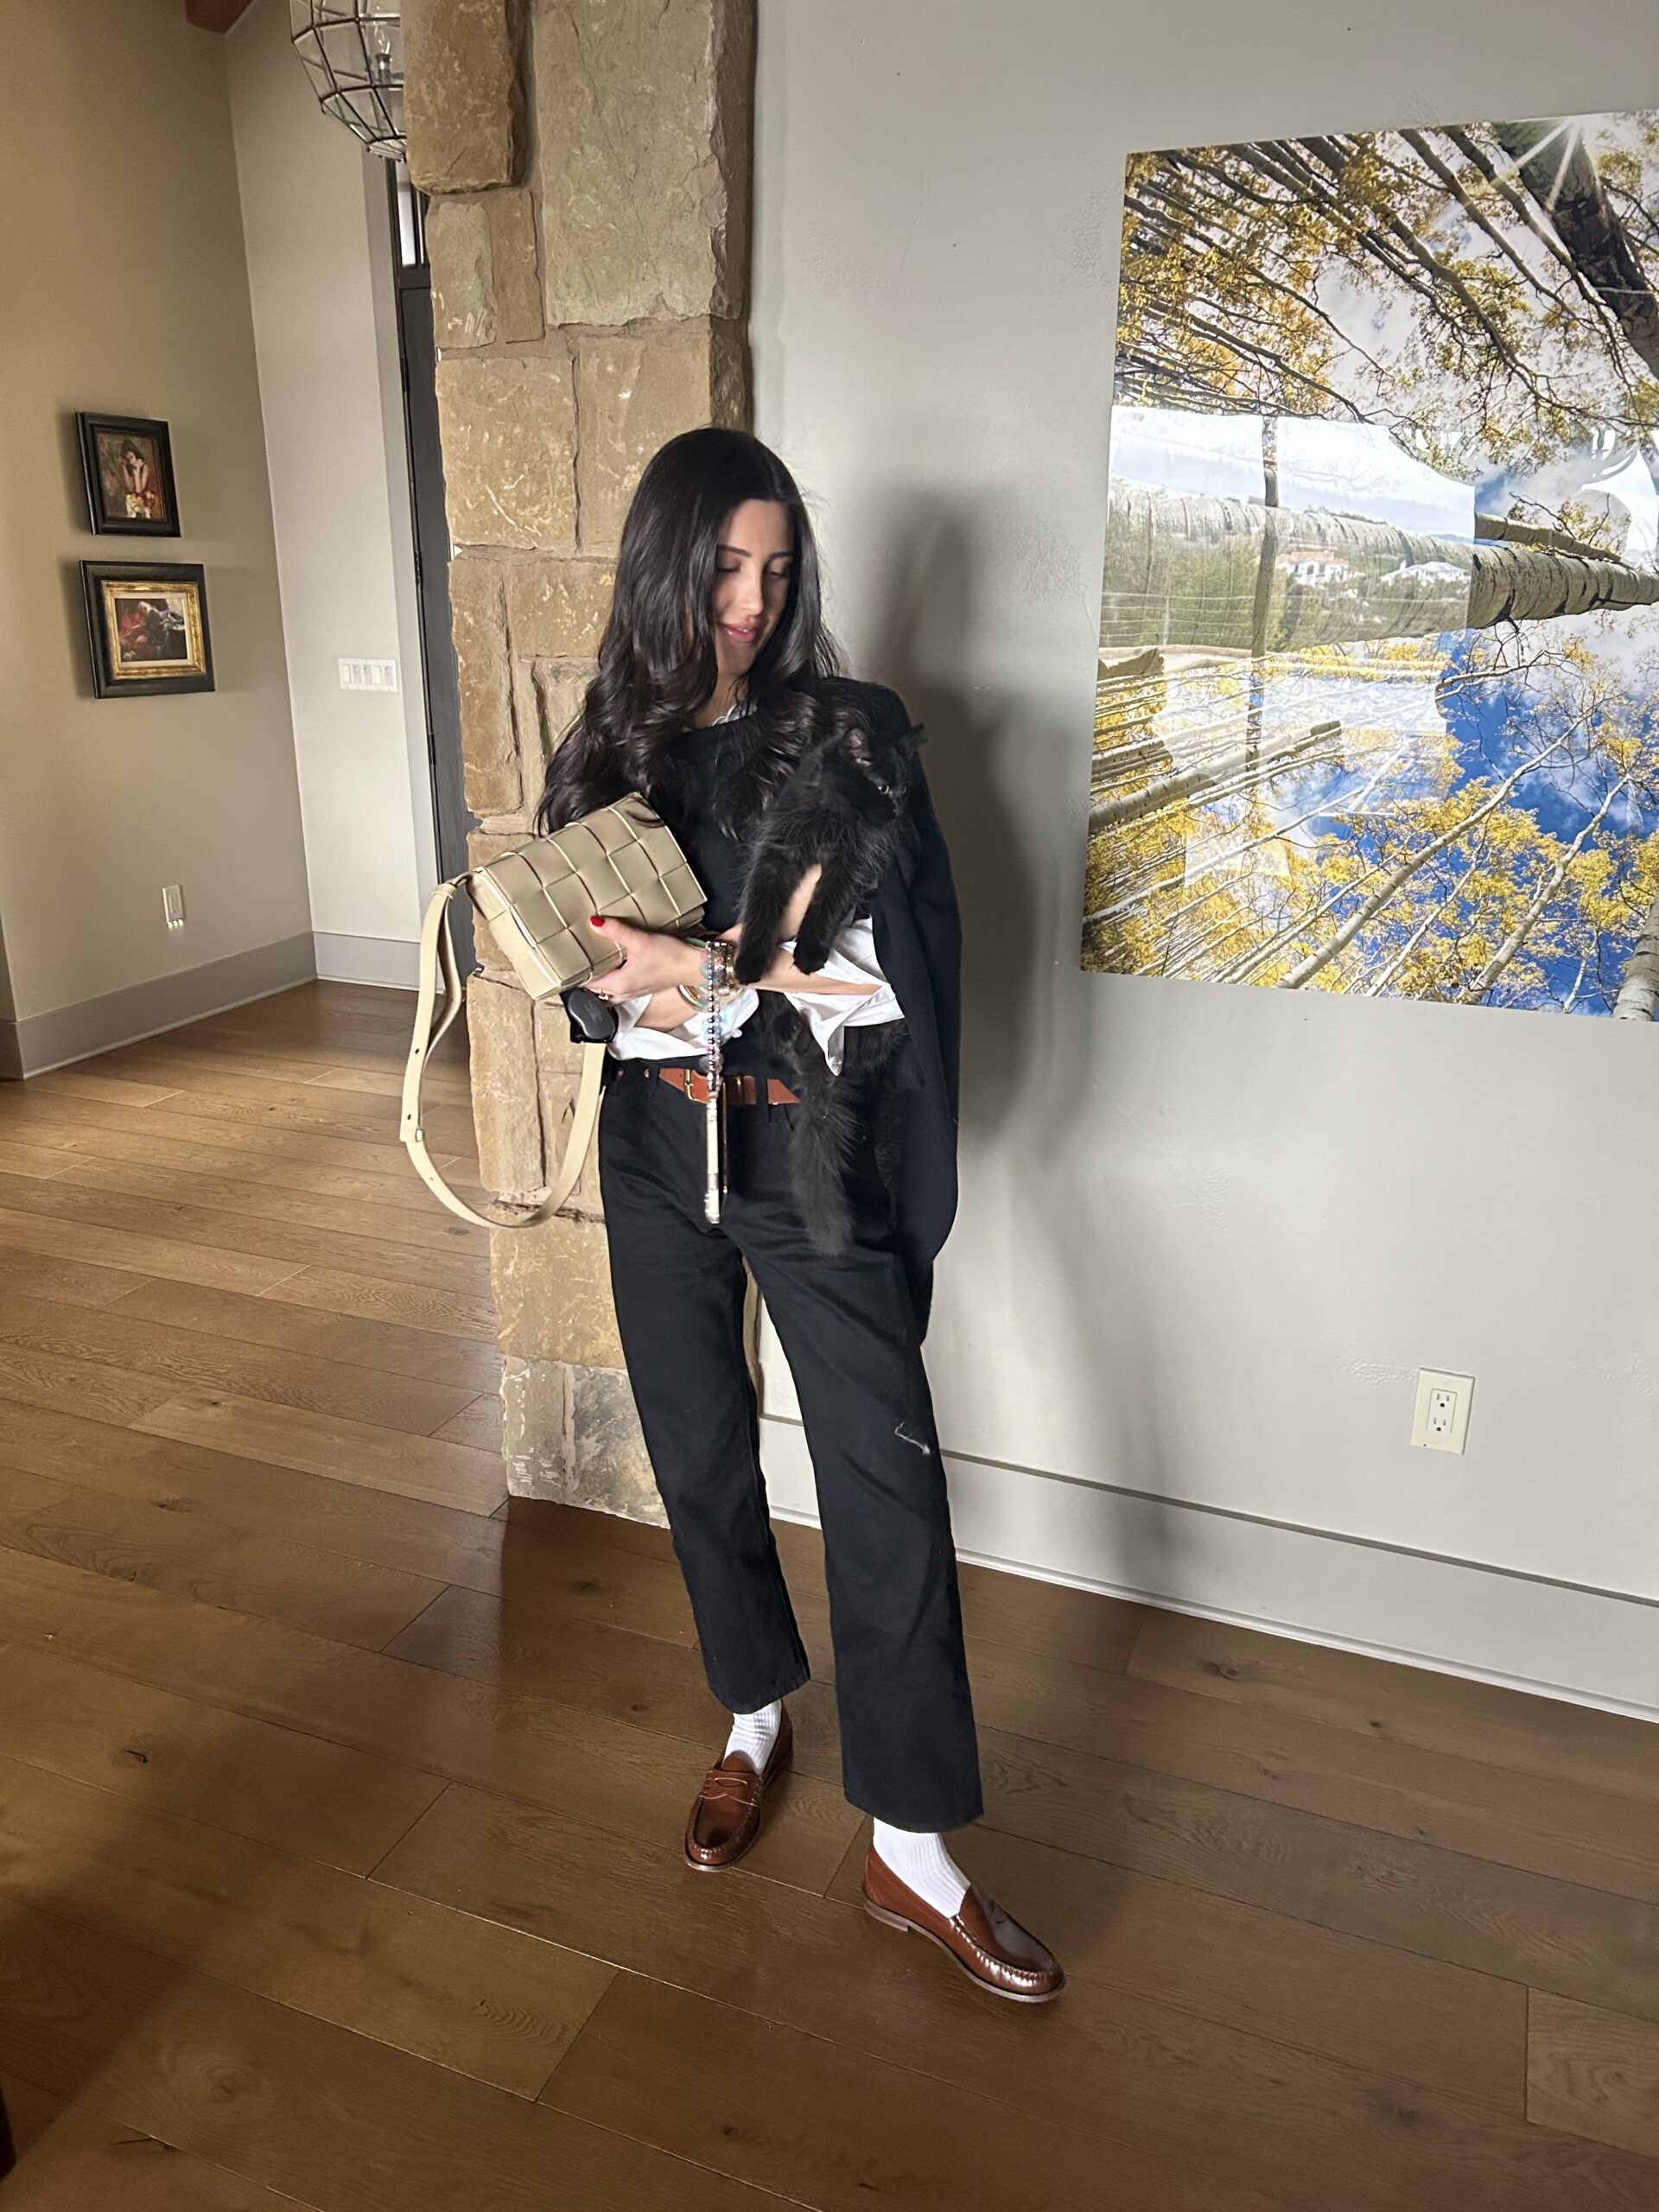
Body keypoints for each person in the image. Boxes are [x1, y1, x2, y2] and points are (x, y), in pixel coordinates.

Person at [535, 426, 1064, 2003]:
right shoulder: (607, 744)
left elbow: (881, 974)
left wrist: (701, 972)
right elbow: (582, 970)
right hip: (655, 1150)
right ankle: (753, 1712)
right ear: (665, 568)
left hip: (805, 1149)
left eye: (774, 570)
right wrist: (596, 978)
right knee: (695, 1444)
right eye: (723, 569)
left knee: (883, 1476)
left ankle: (911, 1845)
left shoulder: (848, 734)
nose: (750, 601)